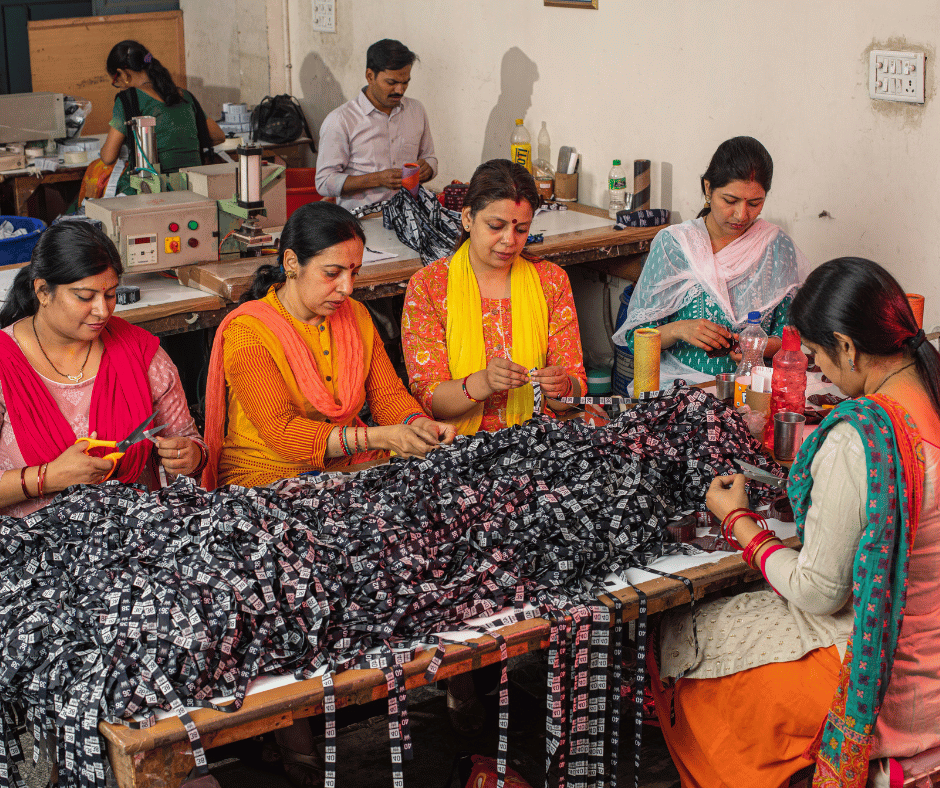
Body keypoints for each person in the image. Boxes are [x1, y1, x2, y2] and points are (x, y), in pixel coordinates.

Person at [650, 257, 940, 787]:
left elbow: (818, 591)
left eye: (815, 357)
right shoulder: (931, 396)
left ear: (847, 347)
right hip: (931, 639)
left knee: (684, 633)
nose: (817, 373)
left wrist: (739, 522)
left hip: (894, 678)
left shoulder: (864, 440)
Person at [202, 201, 456, 491]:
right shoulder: (248, 332)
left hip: (347, 465)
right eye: (332, 273)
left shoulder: (356, 315)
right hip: (265, 475)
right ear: (291, 263)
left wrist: (419, 425)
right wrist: (380, 437)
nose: (347, 288)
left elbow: (387, 396)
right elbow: (282, 431)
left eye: (354, 273)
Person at [0, 222, 208, 518]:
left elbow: (191, 446)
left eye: (110, 294)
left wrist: (191, 456)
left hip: (134, 537)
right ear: (43, 292)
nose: (102, 310)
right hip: (33, 545)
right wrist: (45, 478)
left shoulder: (140, 355)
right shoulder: (4, 364)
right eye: (85, 297)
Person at [402, 158, 587, 437]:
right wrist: (483, 382)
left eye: (521, 229)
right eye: (495, 226)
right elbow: (430, 400)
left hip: (537, 437)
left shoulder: (551, 281)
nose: (509, 240)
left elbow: (569, 396)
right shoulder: (429, 287)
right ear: (467, 218)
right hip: (458, 443)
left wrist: (562, 387)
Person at [613, 136, 808, 384]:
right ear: (708, 188)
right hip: (681, 386)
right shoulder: (675, 245)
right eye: (730, 200)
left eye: (755, 203)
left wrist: (757, 347)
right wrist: (679, 329)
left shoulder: (776, 247)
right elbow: (635, 339)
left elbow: (789, 337)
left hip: (755, 386)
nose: (741, 214)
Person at [315, 39, 437, 210]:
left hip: (409, 214)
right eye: (391, 83)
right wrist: (377, 179)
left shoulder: (416, 110)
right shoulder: (340, 120)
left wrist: (428, 168)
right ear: (370, 76)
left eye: (405, 82)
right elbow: (324, 182)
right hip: (361, 220)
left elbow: (429, 157)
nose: (400, 90)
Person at [99, 40, 225, 195]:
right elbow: (218, 136)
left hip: (157, 186)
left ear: (123, 74)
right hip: (194, 186)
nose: (119, 86)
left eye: (115, 82)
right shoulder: (185, 96)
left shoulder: (128, 99)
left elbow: (108, 157)